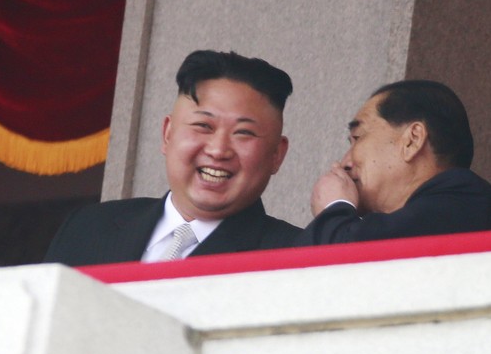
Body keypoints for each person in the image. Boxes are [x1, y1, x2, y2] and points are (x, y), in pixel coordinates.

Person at [45, 50, 302, 266]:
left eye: (243, 133)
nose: (218, 150)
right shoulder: (89, 227)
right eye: (203, 126)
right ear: (168, 133)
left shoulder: (295, 258)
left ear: (277, 155)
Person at [296, 79, 491, 246]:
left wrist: (333, 209)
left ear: (412, 140)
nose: (344, 162)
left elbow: (357, 266)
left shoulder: (466, 201)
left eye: (358, 138)